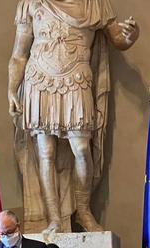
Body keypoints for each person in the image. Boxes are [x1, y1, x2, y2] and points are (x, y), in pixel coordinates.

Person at [8, 0, 139, 233]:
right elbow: (19, 55)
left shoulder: (94, 4)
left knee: (80, 148)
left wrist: (131, 35)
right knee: (45, 153)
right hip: (39, 79)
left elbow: (118, 39)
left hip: (76, 77)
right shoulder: (31, 3)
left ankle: (83, 210)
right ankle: (55, 219)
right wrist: (12, 89)